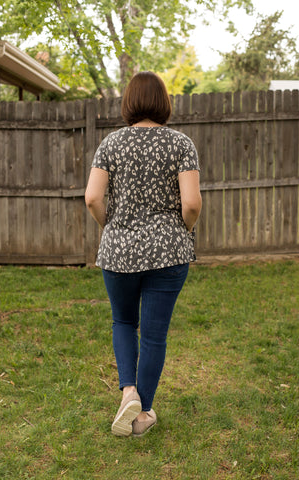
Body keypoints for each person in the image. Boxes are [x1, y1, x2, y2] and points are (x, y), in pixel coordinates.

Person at [85, 71, 202, 437]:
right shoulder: (181, 144)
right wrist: (181, 231)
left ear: (129, 102)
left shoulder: (110, 144)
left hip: (118, 253)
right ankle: (142, 414)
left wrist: (112, 226)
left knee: (123, 322)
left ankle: (129, 392)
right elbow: (193, 204)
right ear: (164, 102)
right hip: (168, 253)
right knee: (154, 335)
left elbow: (91, 198)